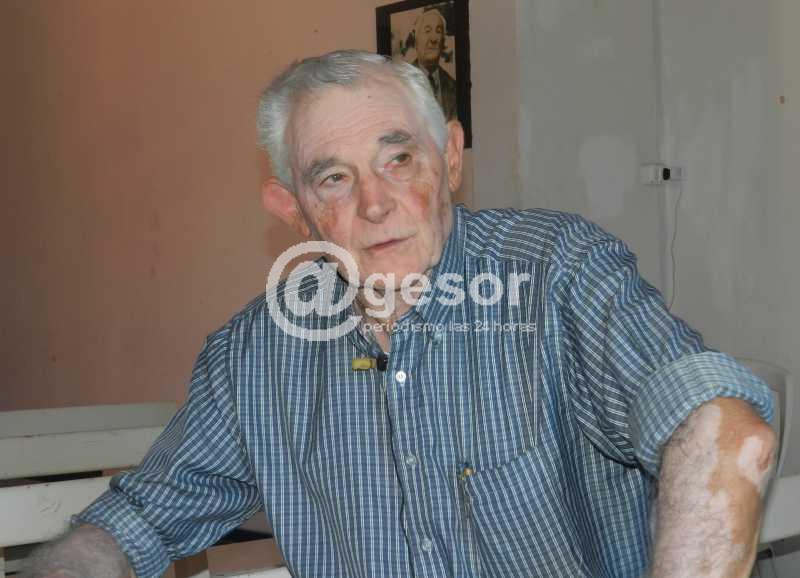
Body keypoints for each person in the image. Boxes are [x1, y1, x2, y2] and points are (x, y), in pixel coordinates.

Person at [25, 50, 776, 578]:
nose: (375, 203)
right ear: (292, 210)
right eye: (333, 178)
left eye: (399, 159)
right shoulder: (256, 354)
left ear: (451, 158)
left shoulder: (555, 272)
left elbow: (720, 427)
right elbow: (135, 525)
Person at [412, 8, 458, 121]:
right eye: (427, 31)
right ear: (415, 41)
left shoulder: (454, 87)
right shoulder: (401, 83)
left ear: (443, 41)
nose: (433, 39)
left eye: (438, 31)